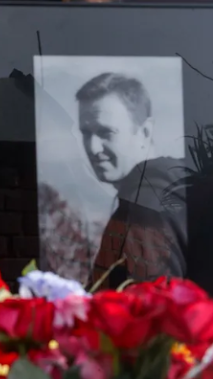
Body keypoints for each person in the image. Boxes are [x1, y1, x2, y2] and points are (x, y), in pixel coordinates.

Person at [75, 72, 187, 288]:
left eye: (105, 132)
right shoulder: (170, 191)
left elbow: (148, 307)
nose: (92, 148)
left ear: (145, 132)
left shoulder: (145, 204)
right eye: (85, 133)